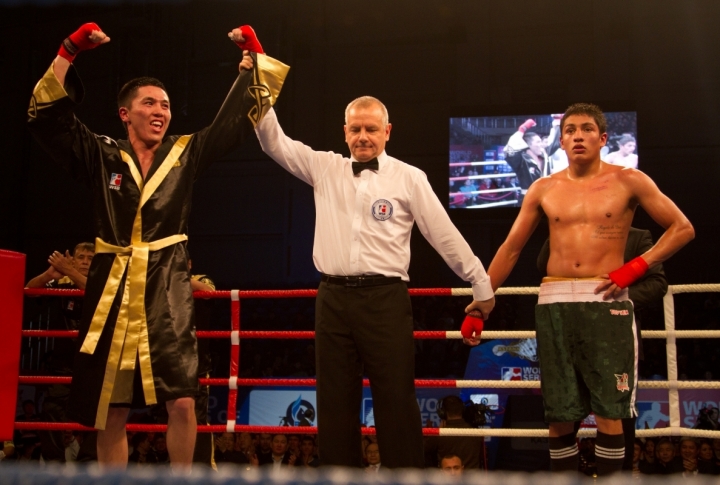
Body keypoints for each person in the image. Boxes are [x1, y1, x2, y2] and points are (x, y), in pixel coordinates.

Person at [27, 22, 288, 471]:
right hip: (113, 285)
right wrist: (68, 51)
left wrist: (254, 60)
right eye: (149, 103)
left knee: (183, 401)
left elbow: (231, 124)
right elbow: (48, 120)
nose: (160, 111)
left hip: (167, 284)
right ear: (124, 113)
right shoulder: (102, 154)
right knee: (112, 408)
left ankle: (182, 481)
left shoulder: (185, 152)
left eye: (165, 105)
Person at [241, 25, 494, 467]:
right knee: (334, 400)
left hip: (385, 299)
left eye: (371, 129)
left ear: (387, 131)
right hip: (333, 297)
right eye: (355, 129)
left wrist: (480, 282)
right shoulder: (324, 168)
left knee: (396, 396)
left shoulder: (409, 177)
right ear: (344, 131)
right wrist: (256, 78)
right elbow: (271, 140)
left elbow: (443, 233)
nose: (363, 136)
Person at [483, 103, 694, 476]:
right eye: (570, 130)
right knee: (560, 414)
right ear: (561, 140)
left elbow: (682, 228)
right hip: (553, 302)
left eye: (586, 129)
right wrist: (481, 301)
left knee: (610, 412)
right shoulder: (543, 188)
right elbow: (511, 248)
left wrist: (637, 266)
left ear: (602, 138)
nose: (578, 135)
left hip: (604, 302)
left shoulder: (630, 180)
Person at [537, 226, 668, 472]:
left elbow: (658, 283)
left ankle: (619, 477)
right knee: (563, 414)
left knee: (615, 412)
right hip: (569, 329)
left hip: (614, 333)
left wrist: (614, 299)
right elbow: (543, 264)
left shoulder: (638, 237)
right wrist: (557, 229)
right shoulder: (571, 230)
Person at [503, 115, 561, 203]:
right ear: (528, 145)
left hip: (546, 198)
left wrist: (556, 123)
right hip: (527, 200)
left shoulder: (544, 154)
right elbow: (509, 150)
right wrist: (522, 129)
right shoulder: (521, 160)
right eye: (538, 142)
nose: (541, 144)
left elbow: (553, 142)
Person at [425, 395, 483, 469]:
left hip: (448, 479)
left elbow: (423, 449)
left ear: (443, 413)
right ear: (462, 410)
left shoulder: (440, 434)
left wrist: (434, 432)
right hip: (472, 479)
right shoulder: (476, 433)